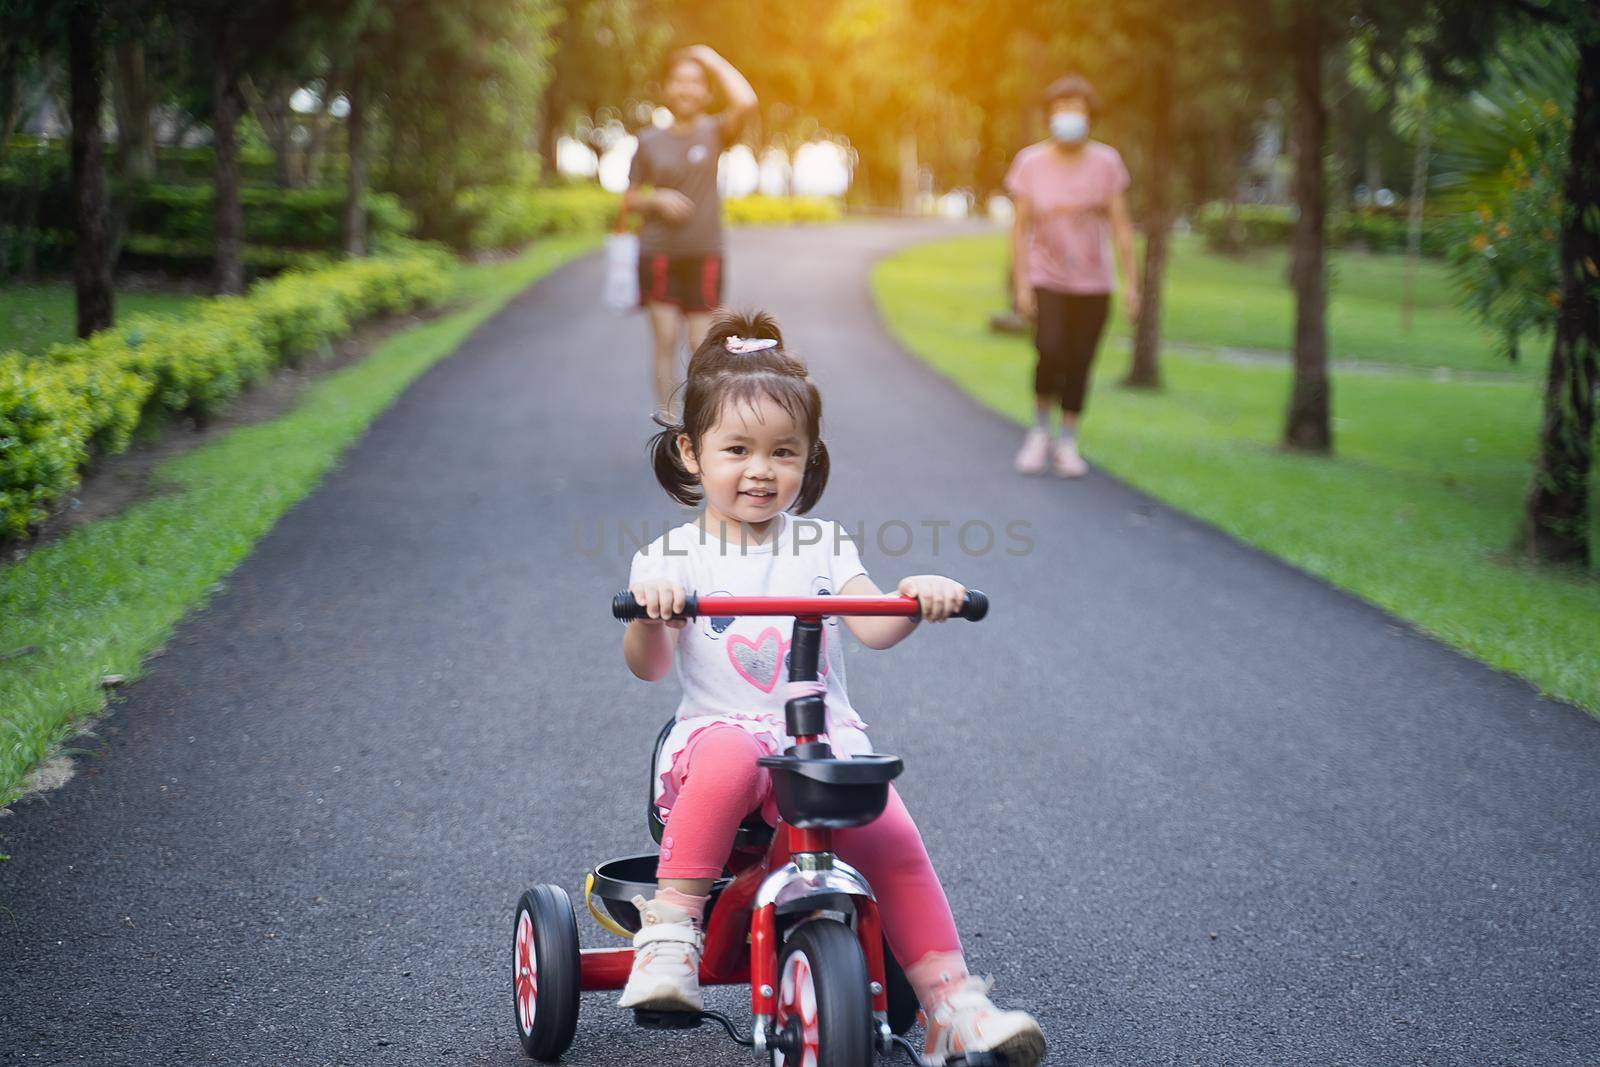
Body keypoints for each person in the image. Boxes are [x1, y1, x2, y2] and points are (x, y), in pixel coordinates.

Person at [618, 310, 1047, 1067]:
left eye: (784, 452)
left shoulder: (820, 543)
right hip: (716, 744)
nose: (761, 470)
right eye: (738, 449)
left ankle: (952, 1003)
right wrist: (652, 608)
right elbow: (649, 666)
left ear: (810, 456)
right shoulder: (672, 556)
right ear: (691, 451)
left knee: (889, 832)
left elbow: (873, 623)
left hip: (817, 744)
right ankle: (672, 930)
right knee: (730, 757)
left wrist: (917, 595)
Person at [1005, 74, 1139, 478]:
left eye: (1077, 110)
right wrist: (1022, 282)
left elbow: (1121, 226)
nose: (1069, 117)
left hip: (1094, 282)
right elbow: (1019, 228)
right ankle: (1039, 432)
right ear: (1050, 115)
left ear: (1089, 117)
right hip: (1046, 275)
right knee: (1049, 349)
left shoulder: (1107, 163)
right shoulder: (1031, 163)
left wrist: (1131, 283)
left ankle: (1067, 443)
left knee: (1080, 362)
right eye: (1061, 109)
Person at [617, 46, 757, 415]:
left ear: (707, 93)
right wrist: (657, 199)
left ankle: (698, 425)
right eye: (679, 81)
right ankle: (667, 419)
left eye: (696, 82)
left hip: (704, 255)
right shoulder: (648, 141)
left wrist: (711, 58)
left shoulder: (715, 132)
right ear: (665, 89)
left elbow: (746, 101)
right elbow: (629, 199)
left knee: (701, 345)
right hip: (658, 254)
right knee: (665, 340)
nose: (687, 89)